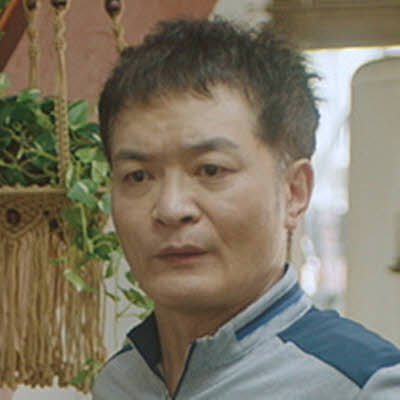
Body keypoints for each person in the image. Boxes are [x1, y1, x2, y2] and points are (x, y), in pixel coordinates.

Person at [92, 18, 400, 399]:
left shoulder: (366, 387)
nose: (171, 208)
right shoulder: (120, 381)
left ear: (294, 192)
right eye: (138, 176)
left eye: (210, 170)